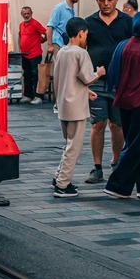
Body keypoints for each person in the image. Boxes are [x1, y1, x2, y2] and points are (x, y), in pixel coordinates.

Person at [103, 12, 140, 199]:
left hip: (123, 100)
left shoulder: (124, 45)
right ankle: (117, 185)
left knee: (138, 142)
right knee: (136, 144)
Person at [84, 0, 132, 184]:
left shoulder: (127, 22)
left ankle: (115, 162)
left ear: (116, 0)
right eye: (102, 0)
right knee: (98, 123)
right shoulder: (89, 23)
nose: (106, 3)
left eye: (109, 0)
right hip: (96, 82)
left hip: (120, 82)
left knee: (117, 124)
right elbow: (80, 50)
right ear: (97, 1)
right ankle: (97, 167)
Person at [51, 17, 104, 197]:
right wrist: (100, 72)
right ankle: (62, 184)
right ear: (81, 33)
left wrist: (86, 92)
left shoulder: (62, 52)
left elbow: (68, 79)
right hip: (76, 108)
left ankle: (59, 178)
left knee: (68, 145)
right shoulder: (81, 53)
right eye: (85, 35)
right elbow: (87, 77)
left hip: (63, 104)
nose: (86, 38)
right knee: (73, 147)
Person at [17, 6, 48, 104]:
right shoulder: (21, 25)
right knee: (26, 75)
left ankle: (38, 96)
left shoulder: (35, 23)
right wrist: (20, 48)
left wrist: (43, 40)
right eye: (24, 13)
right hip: (25, 54)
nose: (26, 15)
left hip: (35, 54)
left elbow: (45, 33)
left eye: (28, 13)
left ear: (31, 13)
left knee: (36, 75)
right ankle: (27, 95)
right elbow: (20, 36)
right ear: (21, 14)